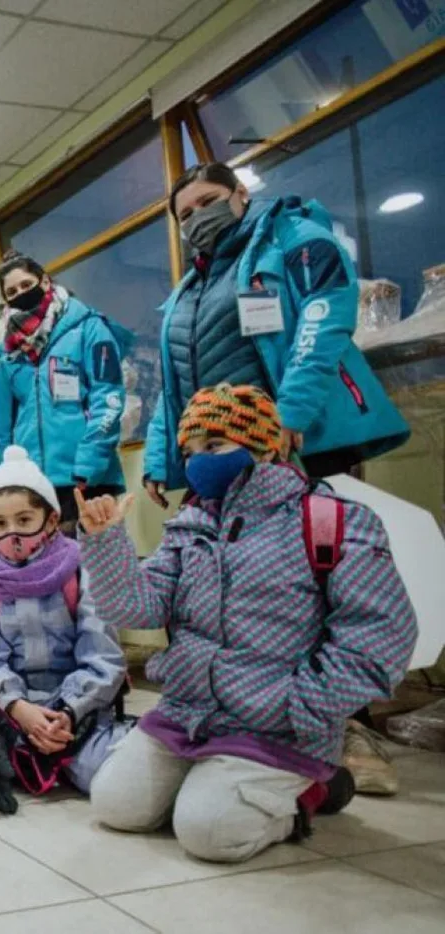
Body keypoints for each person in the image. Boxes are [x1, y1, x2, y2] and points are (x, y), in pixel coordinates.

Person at [144, 162, 412, 794]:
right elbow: (172, 388)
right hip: (217, 462)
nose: (195, 219)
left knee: (321, 590)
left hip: (293, 444)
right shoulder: (187, 291)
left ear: (241, 195)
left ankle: (342, 726)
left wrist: (292, 410)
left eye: (207, 201)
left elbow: (325, 316)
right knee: (211, 597)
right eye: (183, 214)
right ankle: (228, 723)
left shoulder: (293, 239)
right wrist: (165, 457)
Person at [81, 385, 416, 863]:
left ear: (266, 444)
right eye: (190, 452)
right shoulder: (190, 522)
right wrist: (105, 542)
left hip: (276, 722)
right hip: (188, 711)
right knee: (116, 804)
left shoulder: (330, 520)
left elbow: (381, 633)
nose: (198, 463)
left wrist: (302, 706)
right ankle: (218, 785)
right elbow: (139, 607)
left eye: (214, 446)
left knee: (208, 832)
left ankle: (311, 793)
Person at [0, 446, 129, 814]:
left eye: (24, 519)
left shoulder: (81, 570)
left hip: (77, 708)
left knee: (107, 773)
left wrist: (69, 710)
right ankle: (39, 752)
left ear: (50, 518)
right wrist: (18, 707)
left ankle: (53, 751)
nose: (12, 533)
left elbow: (103, 655)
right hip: (11, 708)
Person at [0, 250, 129, 531]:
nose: (20, 293)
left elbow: (109, 398)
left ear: (44, 282)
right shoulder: (8, 354)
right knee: (49, 571)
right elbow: (3, 428)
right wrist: (4, 476)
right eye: (12, 291)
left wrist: (89, 462)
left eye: (26, 285)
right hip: (35, 484)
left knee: (98, 566)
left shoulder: (88, 327)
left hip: (88, 477)